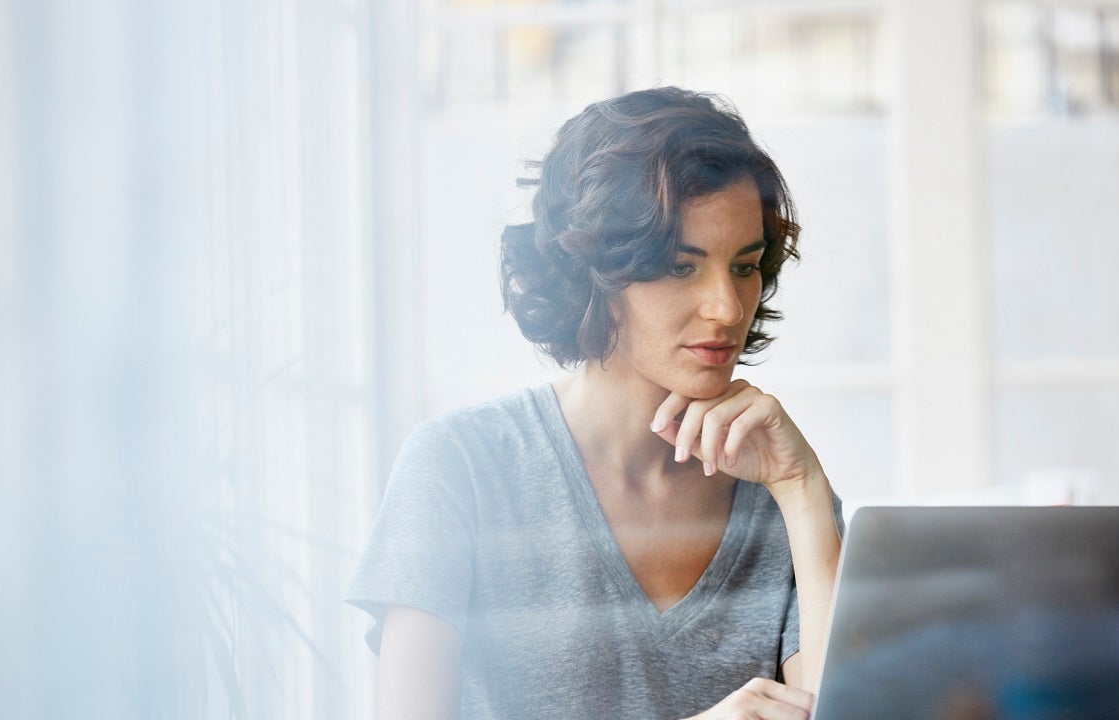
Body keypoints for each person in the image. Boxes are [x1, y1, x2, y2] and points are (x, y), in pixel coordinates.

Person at [347, 86, 842, 720]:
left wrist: (802, 491)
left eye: (744, 267)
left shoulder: (783, 488)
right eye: (681, 268)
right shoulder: (460, 468)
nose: (726, 309)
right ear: (595, 272)